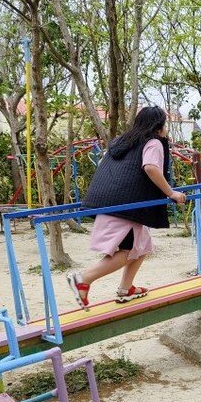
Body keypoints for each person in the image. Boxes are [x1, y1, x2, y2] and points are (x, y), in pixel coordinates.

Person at [66, 106, 186, 309]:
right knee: (128, 250)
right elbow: (150, 167)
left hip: (109, 202)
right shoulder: (154, 142)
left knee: (143, 245)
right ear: (159, 126)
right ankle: (83, 279)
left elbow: (105, 165)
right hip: (126, 207)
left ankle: (126, 289)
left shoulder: (121, 141)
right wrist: (171, 193)